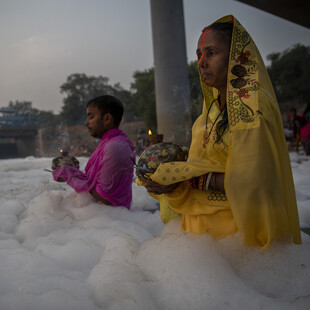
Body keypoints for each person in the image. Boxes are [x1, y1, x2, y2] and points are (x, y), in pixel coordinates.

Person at [140, 15, 302, 247]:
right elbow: (205, 160)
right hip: (207, 247)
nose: (202, 62)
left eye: (211, 52)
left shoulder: (250, 107)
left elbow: (253, 183)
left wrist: (190, 179)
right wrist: (166, 171)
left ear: (237, 56)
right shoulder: (209, 113)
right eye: (199, 54)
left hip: (240, 242)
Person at [53, 95, 135, 209]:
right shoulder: (109, 142)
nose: (86, 122)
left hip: (112, 219)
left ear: (107, 118)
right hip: (104, 217)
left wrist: (70, 174)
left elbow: (105, 197)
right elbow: (94, 184)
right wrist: (72, 171)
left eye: (91, 117)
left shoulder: (115, 147)